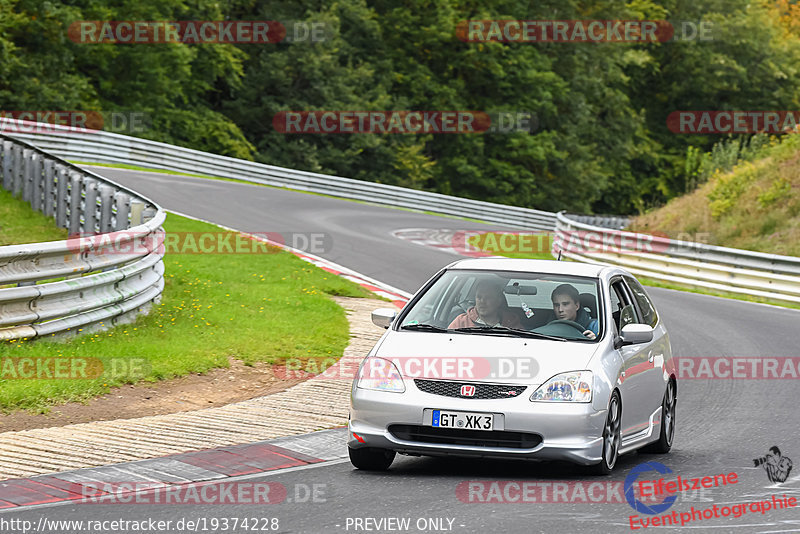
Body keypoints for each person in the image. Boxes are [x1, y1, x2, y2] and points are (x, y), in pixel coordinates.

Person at [448, 280, 522, 329]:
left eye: (488, 297)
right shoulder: (461, 322)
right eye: (479, 297)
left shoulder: (513, 325)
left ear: (498, 301)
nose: (482, 301)